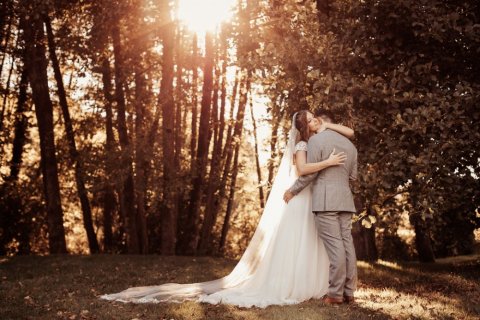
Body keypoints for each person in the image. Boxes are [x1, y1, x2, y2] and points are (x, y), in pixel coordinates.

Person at [100, 110, 354, 308]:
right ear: (302, 127)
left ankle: (326, 287)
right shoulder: (303, 145)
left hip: (314, 196)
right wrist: (327, 163)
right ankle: (301, 284)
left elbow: (341, 140)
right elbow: (302, 171)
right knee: (304, 242)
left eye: (313, 118)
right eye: (309, 120)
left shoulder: (320, 139)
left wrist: (326, 135)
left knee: (317, 242)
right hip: (303, 197)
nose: (314, 121)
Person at [284, 109, 358, 305]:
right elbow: (353, 177)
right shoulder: (350, 146)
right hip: (345, 199)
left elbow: (309, 175)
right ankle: (349, 292)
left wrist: (293, 190)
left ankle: (334, 294)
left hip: (326, 201)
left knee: (336, 249)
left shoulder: (315, 142)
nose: (313, 120)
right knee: (347, 246)